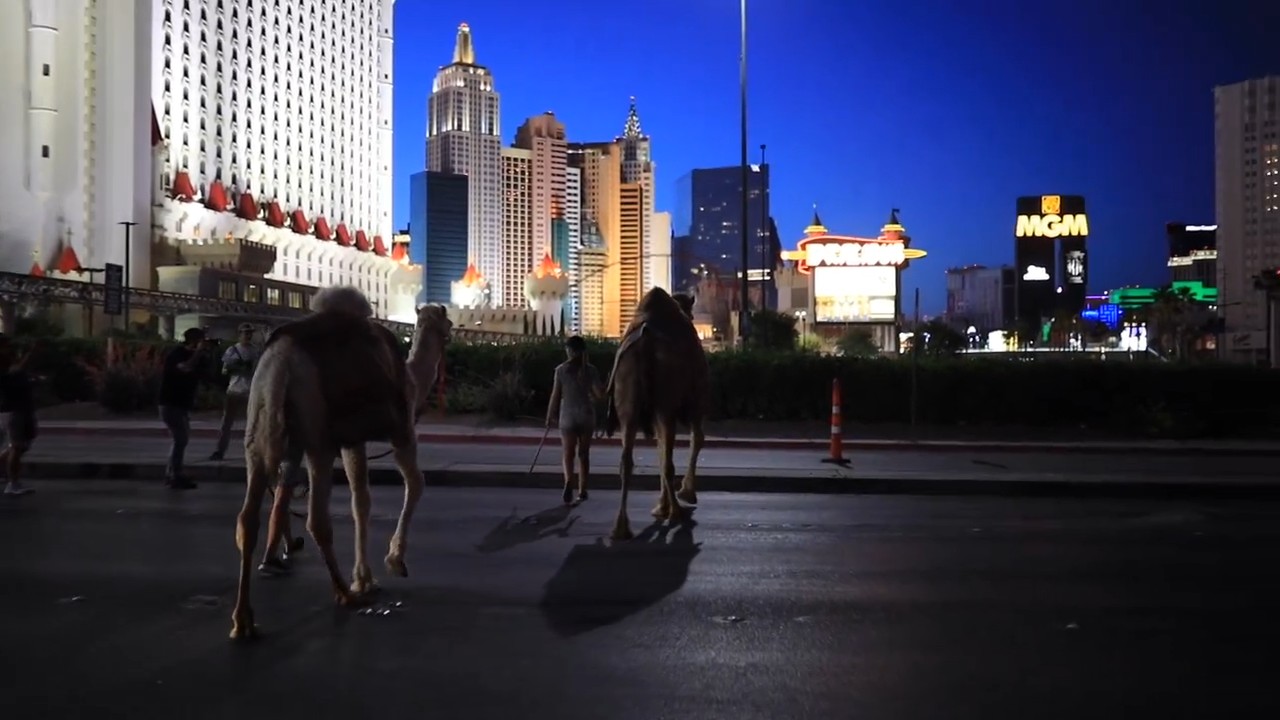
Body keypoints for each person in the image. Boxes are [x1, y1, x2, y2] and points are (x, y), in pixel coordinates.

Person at [545, 335, 605, 504]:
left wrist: (550, 415)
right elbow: (599, 394)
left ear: (569, 350)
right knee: (584, 455)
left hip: (568, 415)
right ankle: (583, 490)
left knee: (568, 454)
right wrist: (606, 389)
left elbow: (555, 395)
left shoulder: (561, 370)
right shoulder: (591, 370)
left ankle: (568, 481)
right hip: (586, 415)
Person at [159, 327, 211, 489]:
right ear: (193, 341)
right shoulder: (177, 354)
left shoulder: (196, 356)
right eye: (200, 340)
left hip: (181, 405)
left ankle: (172, 473)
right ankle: (175, 475)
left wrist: (205, 355)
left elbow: (205, 374)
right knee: (180, 439)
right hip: (170, 403)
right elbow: (185, 368)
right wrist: (197, 353)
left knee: (181, 439)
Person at [209, 323, 260, 461]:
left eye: (250, 333)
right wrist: (240, 368)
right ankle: (220, 450)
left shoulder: (255, 351)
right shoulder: (233, 350)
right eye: (245, 333)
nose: (248, 336)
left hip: (250, 391)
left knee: (254, 423)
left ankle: (255, 451)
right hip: (234, 390)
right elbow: (225, 370)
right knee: (226, 423)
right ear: (240, 334)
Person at [0, 334, 41, 497]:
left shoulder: (9, 365)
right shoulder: (3, 366)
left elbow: (20, 369)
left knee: (22, 446)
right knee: (17, 447)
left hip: (24, 409)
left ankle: (12, 479)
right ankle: (13, 483)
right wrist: (32, 352)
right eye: (6, 345)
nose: (10, 348)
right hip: (14, 411)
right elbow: (19, 369)